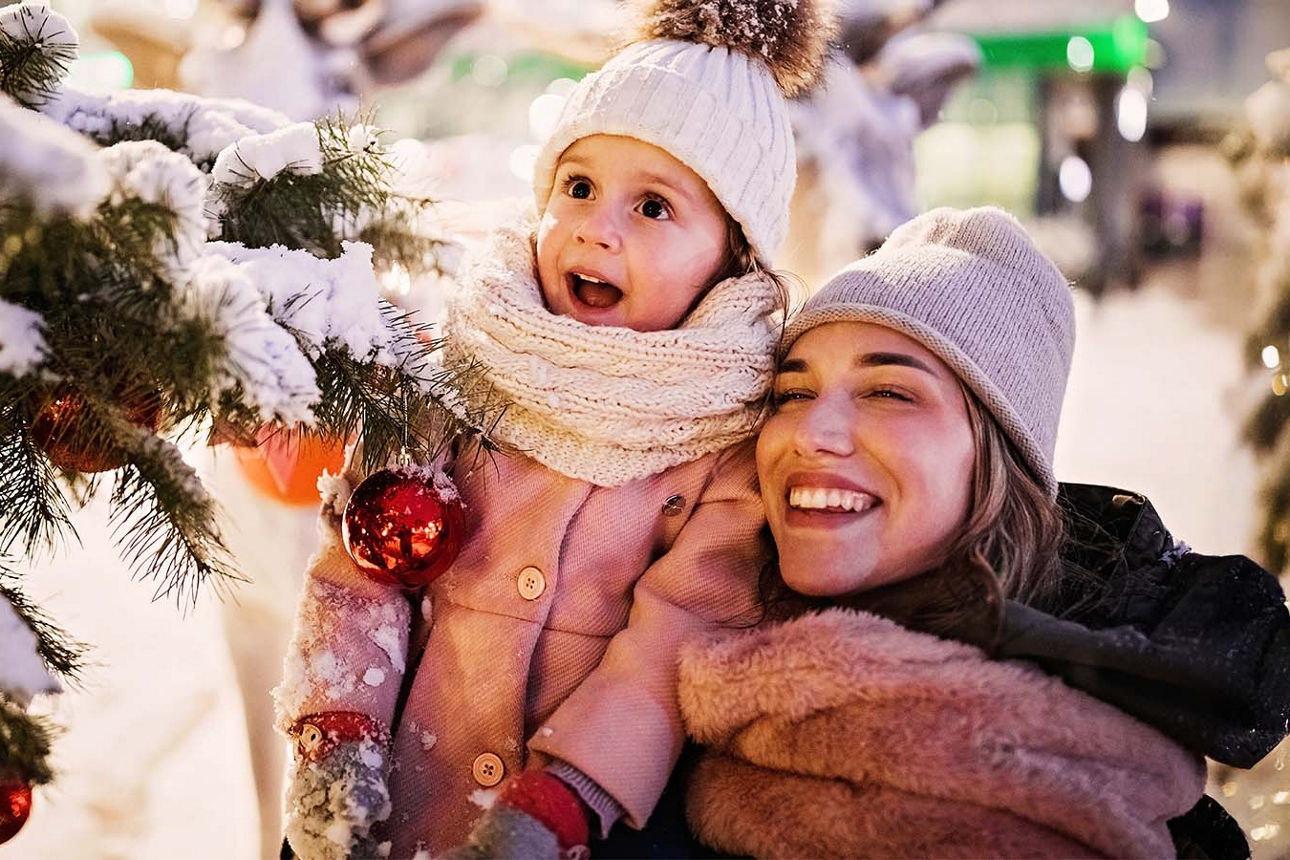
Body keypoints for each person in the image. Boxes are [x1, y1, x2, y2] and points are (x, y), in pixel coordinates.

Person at [271, 0, 835, 856]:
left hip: (574, 836)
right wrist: (338, 738)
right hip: (389, 820)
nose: (597, 227)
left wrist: (561, 802)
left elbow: (673, 646)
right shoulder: (457, 369)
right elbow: (360, 572)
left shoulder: (725, 447)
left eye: (654, 208)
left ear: (732, 257)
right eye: (578, 186)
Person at [665, 206, 1290, 858]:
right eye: (792, 394)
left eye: (888, 393)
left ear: (998, 457)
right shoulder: (666, 638)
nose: (811, 434)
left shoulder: (1091, 783)